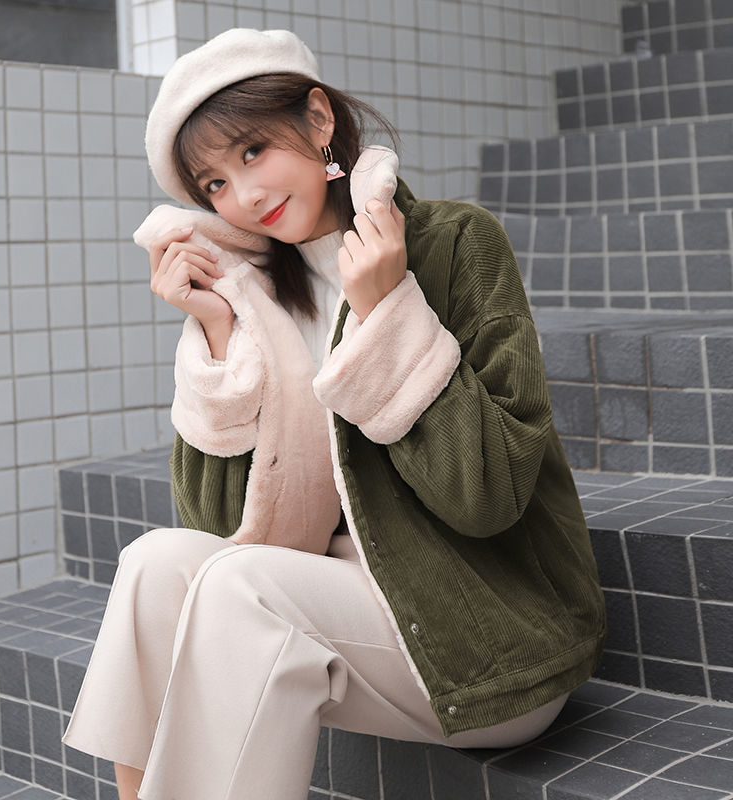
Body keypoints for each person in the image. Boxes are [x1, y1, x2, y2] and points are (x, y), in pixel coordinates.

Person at [62, 28, 606, 800]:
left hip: (487, 627)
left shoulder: (453, 243)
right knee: (154, 564)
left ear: (319, 120)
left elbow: (489, 496)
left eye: (253, 150)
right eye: (214, 184)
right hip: (340, 603)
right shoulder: (252, 296)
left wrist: (387, 314)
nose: (245, 195)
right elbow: (222, 530)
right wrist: (218, 336)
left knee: (240, 589)